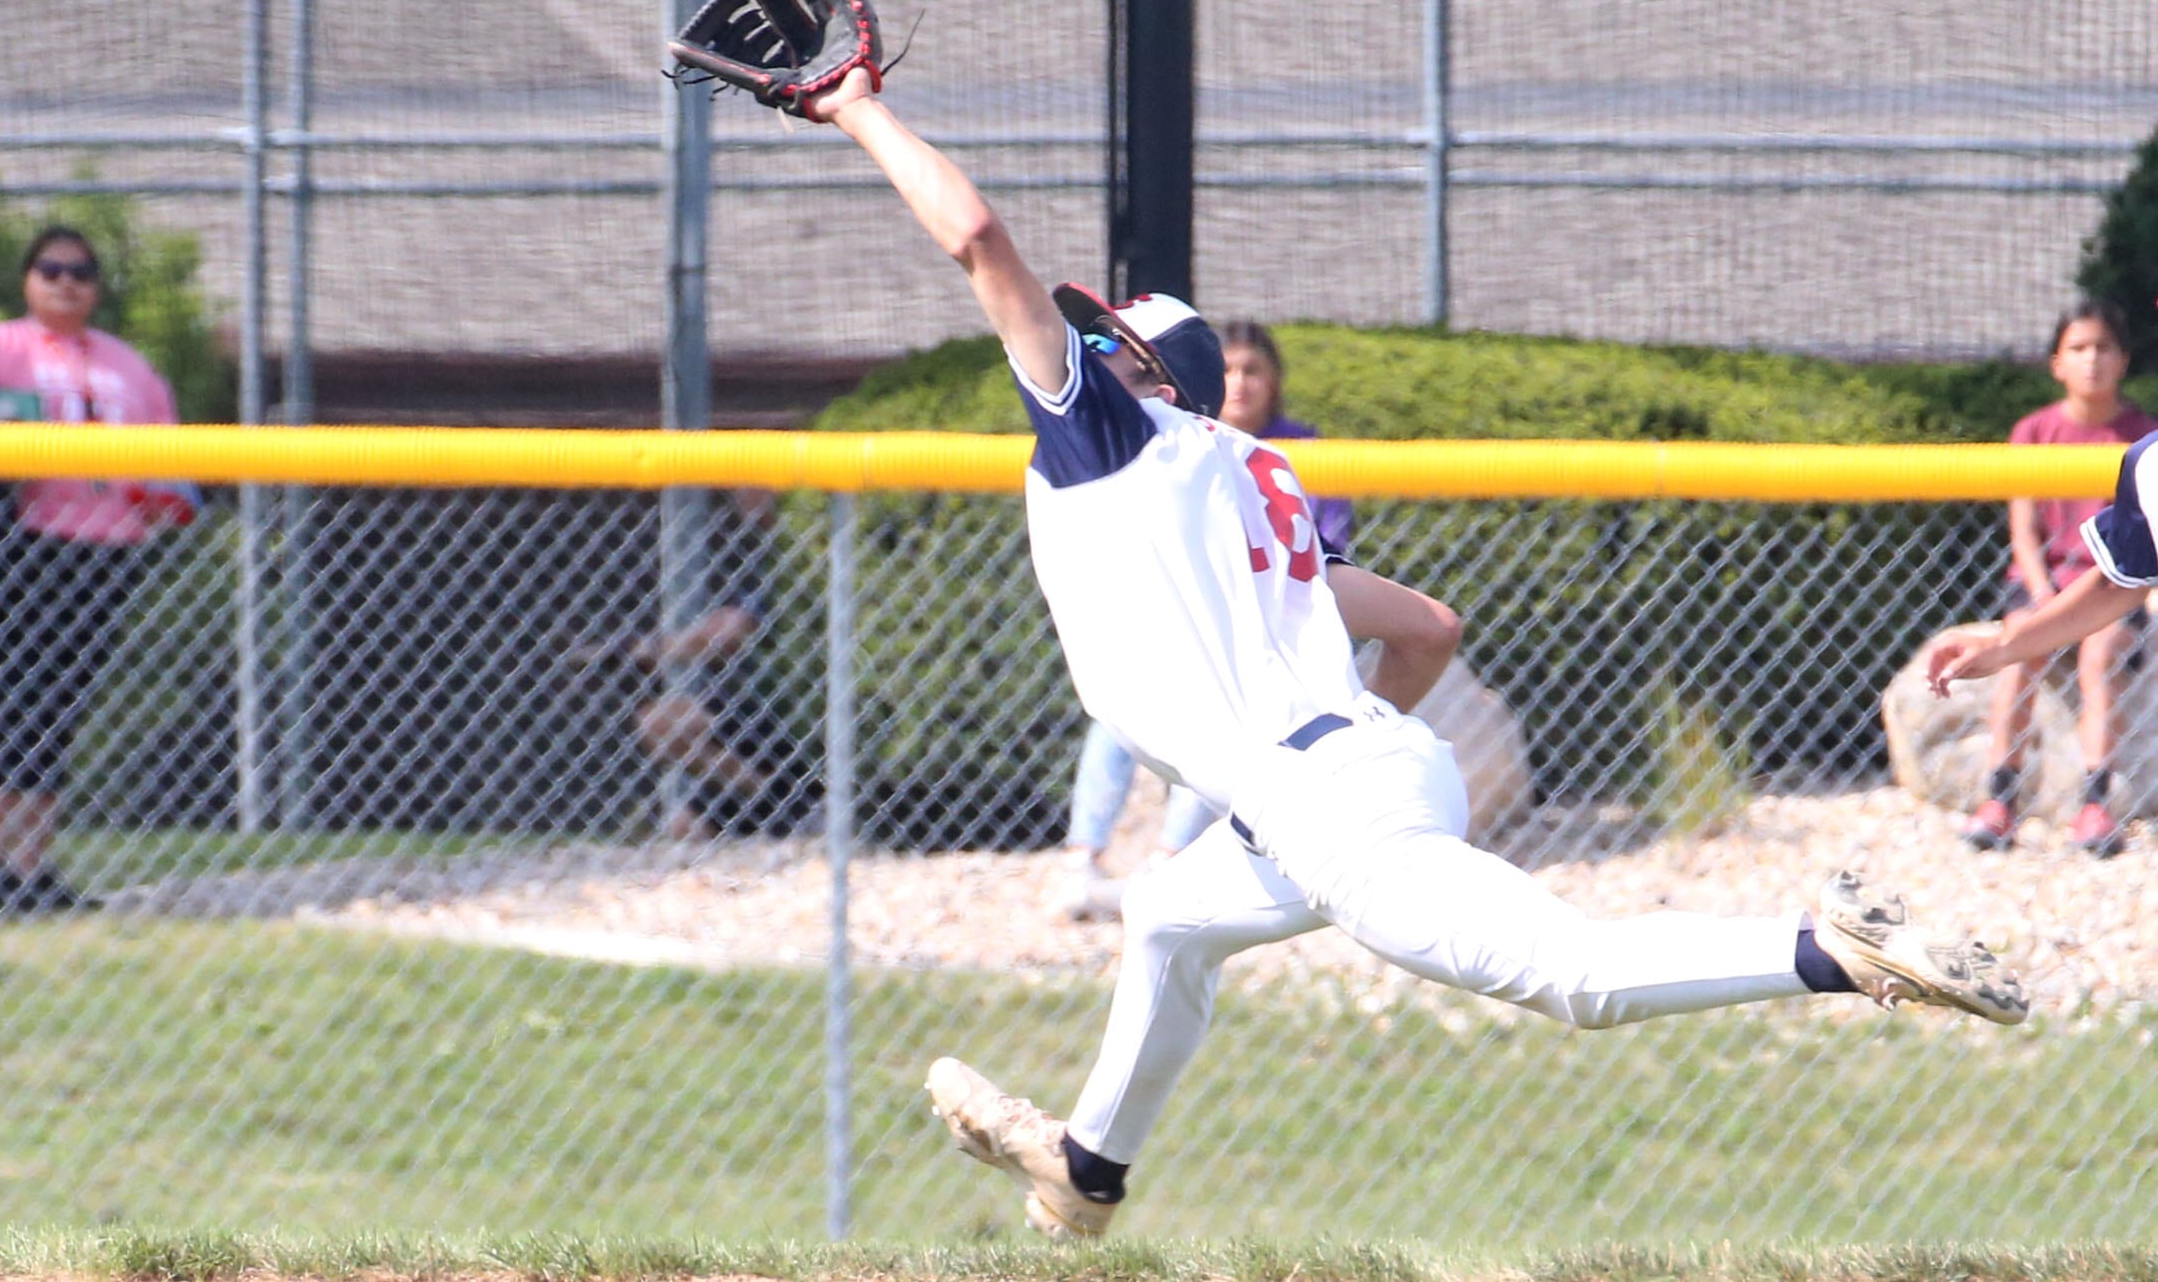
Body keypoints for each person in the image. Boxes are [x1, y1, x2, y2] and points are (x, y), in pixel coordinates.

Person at [800, 63, 2027, 1242]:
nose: (1081, 349)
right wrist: (1348, 750)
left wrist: (859, 109)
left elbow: (977, 243)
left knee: (1573, 975)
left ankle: (1830, 953)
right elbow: (1430, 626)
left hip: (1326, 800)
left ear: (1140, 381)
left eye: (1108, 344)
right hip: (1381, 758)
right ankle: (1087, 1172)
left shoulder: (1116, 442)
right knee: (1171, 915)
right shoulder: (1238, 484)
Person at [1054, 319, 1460, 919]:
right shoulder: (1206, 454)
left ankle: (1170, 861)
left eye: (1254, 370)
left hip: (1273, 674)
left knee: (1220, 735)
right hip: (1357, 773)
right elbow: (1429, 627)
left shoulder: (1168, 455)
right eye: (1229, 370)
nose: (1241, 383)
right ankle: (1091, 860)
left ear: (1170, 394)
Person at [0, 226, 189, 916]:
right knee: (20, 691)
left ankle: (34, 866)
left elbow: (165, 453)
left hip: (107, 547)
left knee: (62, 702)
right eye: (50, 269)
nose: (65, 282)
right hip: (24, 543)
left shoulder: (125, 365)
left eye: (80, 271)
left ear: (97, 286)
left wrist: (160, 504)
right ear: (28, 280)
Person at [1962, 301, 2156, 857]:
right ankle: (1999, 796)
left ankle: (2094, 804)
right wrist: (2044, 597)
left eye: (2103, 348)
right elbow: (2023, 530)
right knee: (2021, 648)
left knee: (2101, 656)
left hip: (2116, 585)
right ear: (2056, 363)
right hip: (2043, 584)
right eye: (2079, 348)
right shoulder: (2035, 430)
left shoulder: (2144, 436)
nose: (2091, 360)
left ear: (2123, 360)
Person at [593, 487, 815, 842]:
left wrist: (645, 649)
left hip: (792, 708)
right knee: (683, 828)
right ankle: (768, 801)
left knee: (661, 721)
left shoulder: (802, 552)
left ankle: (794, 807)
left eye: (753, 485)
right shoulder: (756, 551)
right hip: (754, 708)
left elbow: (729, 630)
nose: (744, 496)